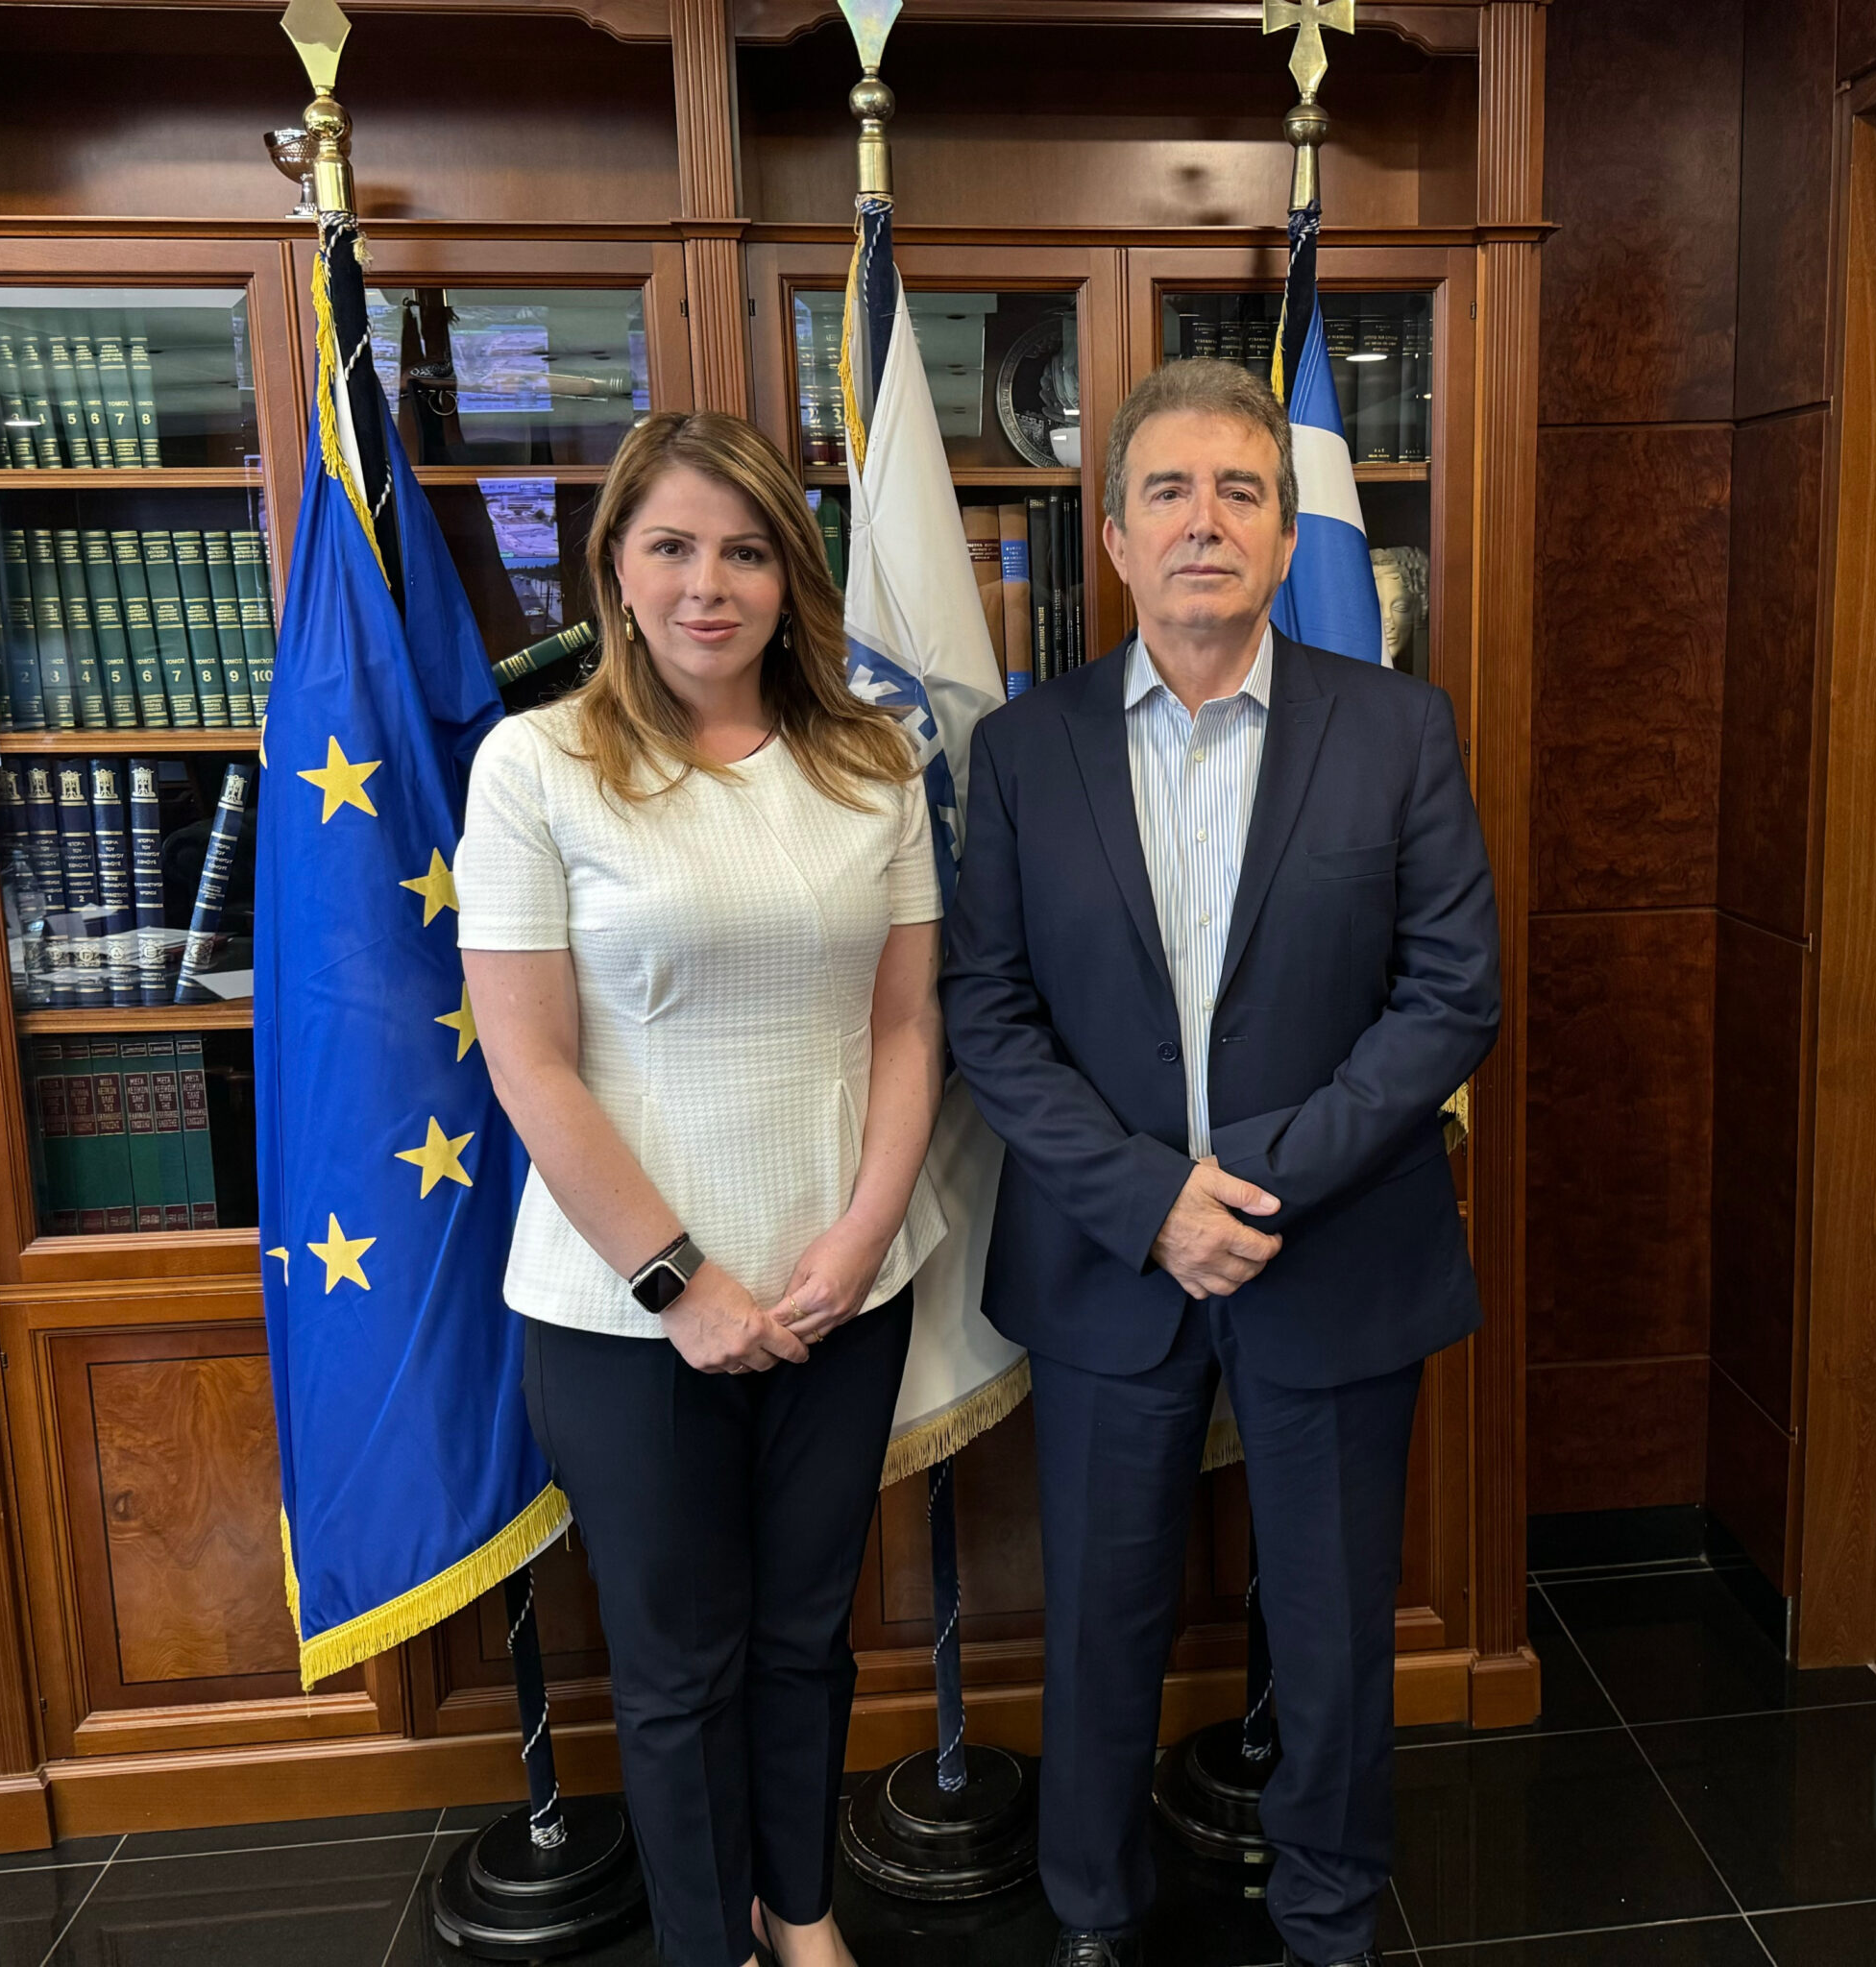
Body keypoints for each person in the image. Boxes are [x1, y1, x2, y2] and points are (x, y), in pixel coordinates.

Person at [940, 357, 1501, 1967]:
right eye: (1170, 492)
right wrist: (1149, 1203)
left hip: (1334, 1246)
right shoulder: (1026, 750)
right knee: (1101, 1616)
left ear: (1285, 534)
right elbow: (988, 1012)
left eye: (1240, 491)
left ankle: (1329, 1912)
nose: (1206, 521)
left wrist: (1259, 1185)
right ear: (1115, 536)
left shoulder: (1398, 730)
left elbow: (1452, 992)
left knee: (1333, 1624)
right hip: (1108, 1261)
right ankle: (1093, 1911)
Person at [455, 409, 945, 1967]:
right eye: (670, 546)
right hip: (626, 1314)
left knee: (805, 1639)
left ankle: (799, 1915)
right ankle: (704, 1944)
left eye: (744, 551)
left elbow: (906, 1026)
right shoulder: (536, 766)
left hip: (840, 1291)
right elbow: (530, 1063)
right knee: (677, 1672)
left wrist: (863, 1237)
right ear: (614, 566)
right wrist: (684, 1284)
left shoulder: (874, 761)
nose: (707, 585)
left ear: (791, 575)